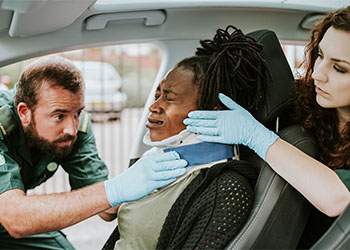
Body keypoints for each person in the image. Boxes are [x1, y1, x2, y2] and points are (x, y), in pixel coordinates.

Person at [184, 6, 350, 248]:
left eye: (339, 68)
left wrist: (257, 137)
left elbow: (337, 198)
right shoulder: (301, 103)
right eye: (321, 55)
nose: (317, 74)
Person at [103, 25, 269, 250]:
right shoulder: (154, 161)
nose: (154, 106)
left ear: (211, 111)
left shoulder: (227, 189)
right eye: (157, 95)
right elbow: (107, 211)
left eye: (169, 98)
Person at [0, 56, 187, 249]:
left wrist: (147, 185)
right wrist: (115, 189)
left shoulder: (73, 125)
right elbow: (16, 218)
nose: (71, 129)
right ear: (24, 112)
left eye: (77, 113)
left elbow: (106, 208)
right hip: (10, 216)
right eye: (58, 116)